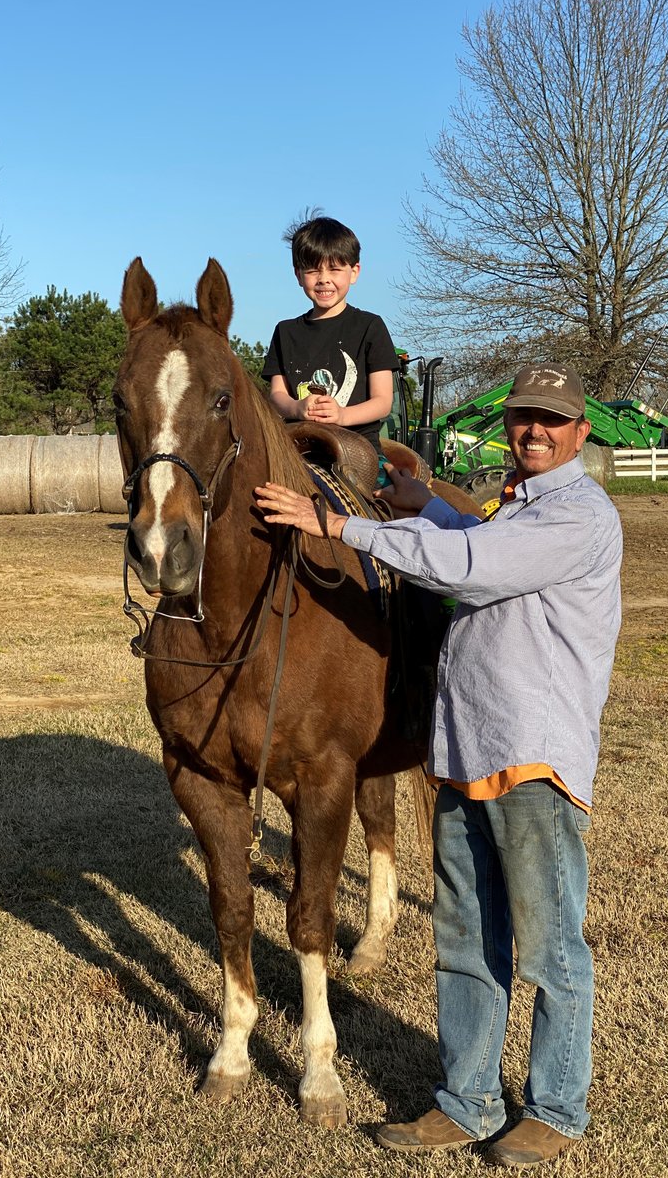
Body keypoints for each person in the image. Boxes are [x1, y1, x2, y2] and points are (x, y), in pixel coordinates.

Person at [255, 362, 623, 1170]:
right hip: (465, 749)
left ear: (579, 432)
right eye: (524, 417)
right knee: (463, 940)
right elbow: (474, 541)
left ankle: (557, 1107)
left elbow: (470, 569)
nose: (533, 430)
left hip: (531, 759)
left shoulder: (579, 515)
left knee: (548, 947)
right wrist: (426, 504)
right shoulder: (516, 506)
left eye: (551, 421)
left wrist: (336, 525)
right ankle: (467, 1101)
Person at [262, 214, 396, 477]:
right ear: (298, 275)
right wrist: (297, 408)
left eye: (334, 269)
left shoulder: (370, 326)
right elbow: (277, 395)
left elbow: (383, 402)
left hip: (358, 450)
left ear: (354, 272)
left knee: (387, 504)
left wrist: (342, 416)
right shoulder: (285, 331)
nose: (324, 279)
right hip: (296, 447)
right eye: (313, 270)